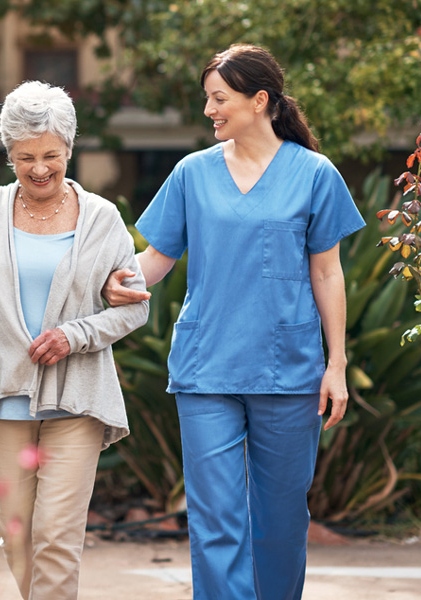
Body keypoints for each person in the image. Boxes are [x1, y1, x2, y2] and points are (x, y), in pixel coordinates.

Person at [102, 44, 366, 599]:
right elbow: (154, 259)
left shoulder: (314, 174)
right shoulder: (191, 174)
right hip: (206, 369)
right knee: (215, 522)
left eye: (219, 99)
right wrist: (109, 284)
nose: (209, 111)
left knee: (281, 523)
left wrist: (336, 364)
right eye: (207, 100)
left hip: (288, 370)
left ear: (259, 100)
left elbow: (327, 275)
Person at [0, 80, 149, 600]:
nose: (40, 168)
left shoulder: (101, 218)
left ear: (69, 149)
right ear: (9, 155)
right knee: (18, 534)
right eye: (25, 157)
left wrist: (76, 335)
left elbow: (135, 310)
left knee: (57, 536)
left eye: (51, 155)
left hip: (77, 398)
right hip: (3, 398)